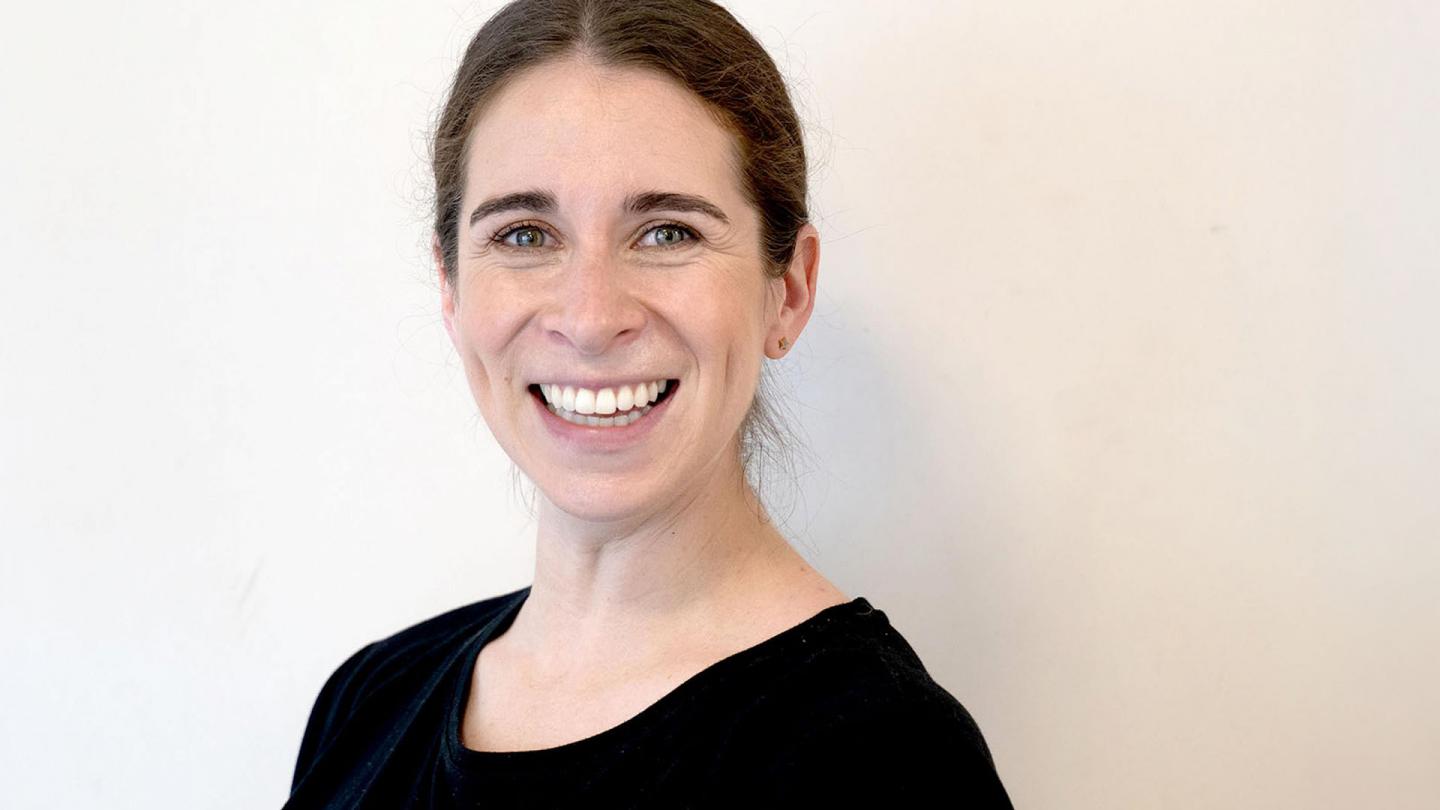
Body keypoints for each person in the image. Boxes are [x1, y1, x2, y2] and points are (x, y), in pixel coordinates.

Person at [284, 1, 1013, 806]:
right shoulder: (370, 699)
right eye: (525, 235)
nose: (591, 319)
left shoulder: (882, 756)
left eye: (668, 233)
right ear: (452, 288)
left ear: (790, 291)